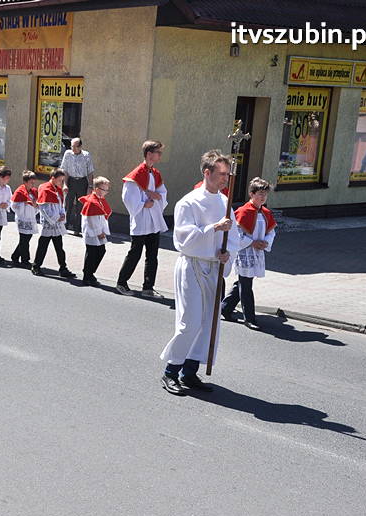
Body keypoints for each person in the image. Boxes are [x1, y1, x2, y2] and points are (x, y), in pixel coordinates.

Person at [159, 151, 241, 396]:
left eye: (228, 174)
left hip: (214, 267)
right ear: (207, 173)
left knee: (208, 322)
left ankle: (190, 371)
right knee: (190, 321)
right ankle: (171, 372)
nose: (226, 179)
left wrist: (227, 254)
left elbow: (234, 238)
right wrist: (213, 228)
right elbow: (183, 239)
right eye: (221, 174)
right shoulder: (189, 202)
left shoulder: (224, 203)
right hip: (192, 265)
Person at [221, 177, 277, 331]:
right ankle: (249, 318)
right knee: (246, 285)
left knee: (243, 282)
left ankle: (225, 308)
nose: (263, 197)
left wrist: (266, 241)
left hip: (258, 251)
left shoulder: (266, 212)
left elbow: (271, 231)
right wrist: (252, 243)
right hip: (245, 251)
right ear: (251, 194)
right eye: (260, 193)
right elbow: (236, 234)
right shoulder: (243, 211)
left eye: (265, 194)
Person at [116, 140, 169, 298]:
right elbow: (128, 197)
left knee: (152, 255)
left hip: (153, 220)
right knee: (135, 253)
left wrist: (156, 196)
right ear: (149, 154)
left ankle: (148, 287)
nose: (160, 155)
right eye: (158, 152)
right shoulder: (136, 174)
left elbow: (162, 193)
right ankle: (121, 282)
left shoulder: (156, 173)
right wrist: (143, 204)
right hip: (141, 219)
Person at [32, 169, 75, 278]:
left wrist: (62, 214)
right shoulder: (45, 188)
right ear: (53, 178)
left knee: (59, 247)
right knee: (43, 246)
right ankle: (36, 266)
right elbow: (44, 208)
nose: (61, 183)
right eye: (60, 180)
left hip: (57, 223)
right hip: (49, 223)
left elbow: (61, 204)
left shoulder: (58, 189)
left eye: (62, 180)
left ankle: (63, 268)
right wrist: (55, 218)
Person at [79, 177, 112, 287]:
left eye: (107, 190)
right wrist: (99, 232)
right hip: (92, 233)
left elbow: (102, 217)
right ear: (97, 189)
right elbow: (91, 219)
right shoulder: (92, 201)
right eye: (104, 190)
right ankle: (87, 275)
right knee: (92, 253)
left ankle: (90, 272)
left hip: (99, 232)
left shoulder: (99, 199)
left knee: (101, 251)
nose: (106, 192)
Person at [60, 137, 95, 236]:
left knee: (80, 206)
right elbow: (65, 170)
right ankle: (64, 226)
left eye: (75, 146)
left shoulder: (86, 155)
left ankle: (77, 228)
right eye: (72, 146)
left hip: (82, 181)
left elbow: (90, 172)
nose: (73, 148)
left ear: (80, 146)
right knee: (68, 204)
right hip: (71, 180)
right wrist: (65, 184)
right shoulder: (67, 154)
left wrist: (90, 186)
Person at [9, 170, 39, 268]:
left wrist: (35, 206)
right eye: (31, 182)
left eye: (34, 182)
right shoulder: (20, 191)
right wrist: (23, 204)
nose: (33, 184)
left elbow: (37, 205)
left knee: (27, 237)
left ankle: (15, 255)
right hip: (22, 218)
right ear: (25, 182)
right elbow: (13, 206)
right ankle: (25, 260)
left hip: (30, 218)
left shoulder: (34, 192)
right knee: (24, 239)